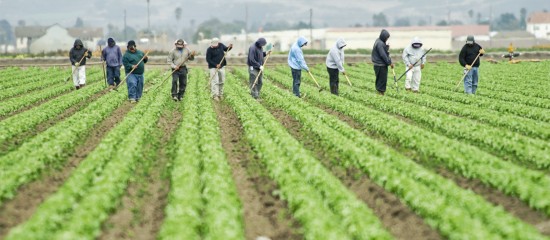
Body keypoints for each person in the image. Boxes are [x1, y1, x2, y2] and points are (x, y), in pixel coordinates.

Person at [371, 29, 393, 95]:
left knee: (379, 80)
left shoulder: (378, 41)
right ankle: (381, 93)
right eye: (386, 38)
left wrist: (386, 47)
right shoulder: (380, 43)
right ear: (383, 36)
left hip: (378, 65)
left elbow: (383, 51)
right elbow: (383, 55)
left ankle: (379, 92)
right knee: (382, 80)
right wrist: (389, 62)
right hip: (380, 65)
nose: (387, 39)